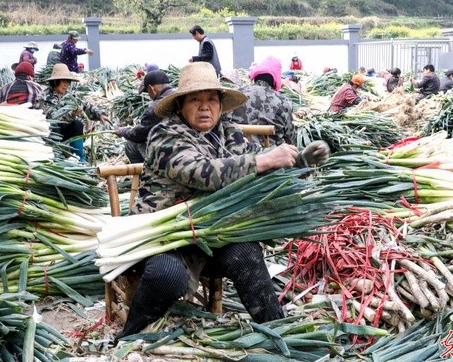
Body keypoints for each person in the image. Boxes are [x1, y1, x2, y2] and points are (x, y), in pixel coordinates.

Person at [117, 62, 329, 340]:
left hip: (213, 234)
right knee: (167, 276)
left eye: (211, 99)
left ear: (220, 104)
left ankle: (281, 335)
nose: (205, 107)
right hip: (166, 236)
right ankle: (128, 336)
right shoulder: (164, 134)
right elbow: (200, 172)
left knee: (246, 254)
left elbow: (258, 168)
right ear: (180, 104)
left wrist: (301, 160)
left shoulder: (228, 131)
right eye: (195, 99)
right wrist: (264, 159)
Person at [35, 63, 104, 162]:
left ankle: (79, 157)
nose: (66, 85)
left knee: (77, 124)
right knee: (55, 127)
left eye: (68, 81)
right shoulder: (43, 98)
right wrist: (72, 114)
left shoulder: (69, 95)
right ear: (55, 81)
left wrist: (100, 114)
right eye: (63, 81)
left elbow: (85, 105)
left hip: (64, 132)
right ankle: (57, 155)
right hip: (50, 134)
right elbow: (53, 119)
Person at [227, 56, 296, 146]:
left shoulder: (236, 95)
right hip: (273, 156)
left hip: (238, 153)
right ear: (276, 79)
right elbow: (290, 140)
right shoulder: (283, 102)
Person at [115, 70, 175, 164]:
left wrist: (123, 131)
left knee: (131, 145)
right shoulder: (181, 96)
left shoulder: (156, 106)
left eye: (147, 92)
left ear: (151, 88)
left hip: (172, 154)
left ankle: (145, 176)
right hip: (191, 147)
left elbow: (139, 135)